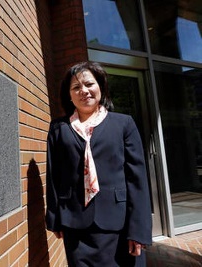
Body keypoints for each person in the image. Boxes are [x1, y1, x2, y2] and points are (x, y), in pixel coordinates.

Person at [45, 61, 152, 266]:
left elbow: (137, 179)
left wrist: (139, 230)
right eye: (76, 87)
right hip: (75, 223)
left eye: (89, 84)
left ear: (100, 87)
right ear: (69, 95)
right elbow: (54, 175)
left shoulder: (123, 124)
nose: (83, 91)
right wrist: (54, 216)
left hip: (118, 223)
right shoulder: (59, 128)